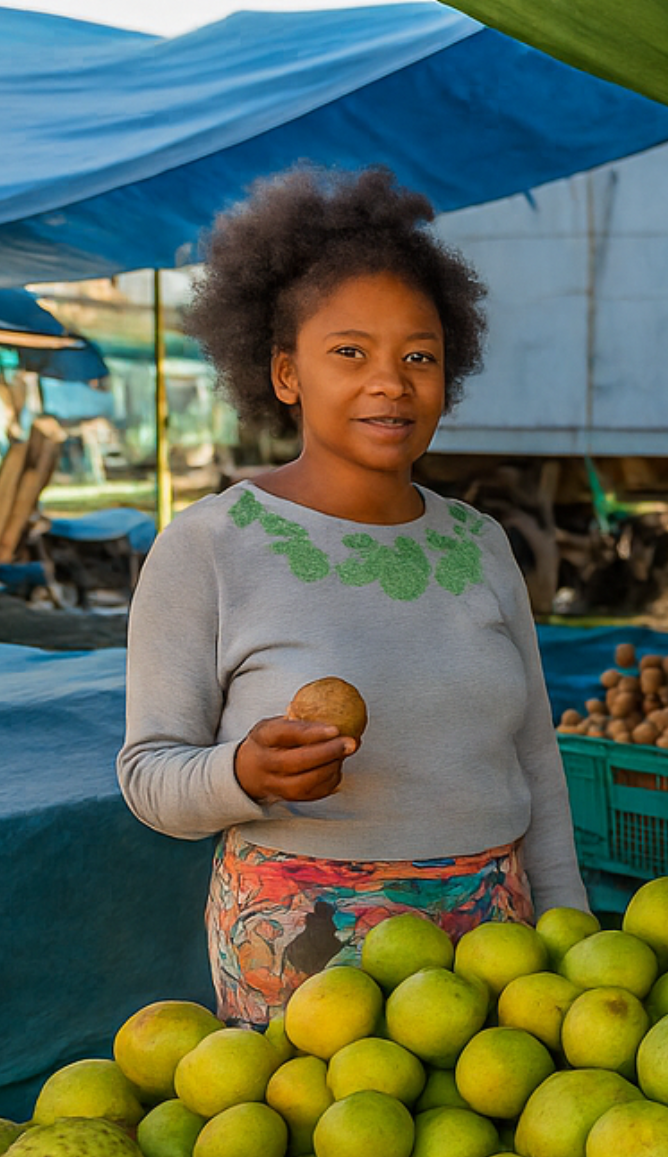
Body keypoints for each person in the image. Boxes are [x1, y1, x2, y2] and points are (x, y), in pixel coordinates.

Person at [119, 166, 587, 1026]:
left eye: (420, 356)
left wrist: (571, 930)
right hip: (302, 946)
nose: (391, 382)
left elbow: (536, 764)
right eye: (350, 353)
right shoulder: (209, 548)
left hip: (495, 937)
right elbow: (150, 776)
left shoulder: (482, 545)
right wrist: (243, 772)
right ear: (286, 374)